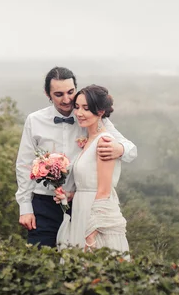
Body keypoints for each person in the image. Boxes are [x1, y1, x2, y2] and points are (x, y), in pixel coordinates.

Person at [15, 67, 137, 248]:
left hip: (78, 203)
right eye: (58, 94)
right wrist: (25, 208)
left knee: (76, 263)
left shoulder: (90, 115)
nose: (67, 100)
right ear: (47, 94)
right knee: (39, 260)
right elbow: (24, 165)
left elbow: (130, 149)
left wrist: (119, 149)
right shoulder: (34, 120)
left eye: (70, 92)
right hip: (44, 203)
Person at [55, 85, 130, 254]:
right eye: (77, 107)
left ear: (101, 112)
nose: (79, 113)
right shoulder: (88, 139)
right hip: (81, 210)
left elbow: (103, 190)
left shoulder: (104, 141)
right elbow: (89, 181)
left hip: (95, 215)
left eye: (86, 109)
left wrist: (92, 232)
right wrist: (68, 195)